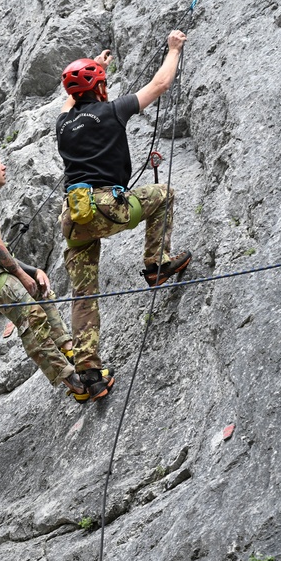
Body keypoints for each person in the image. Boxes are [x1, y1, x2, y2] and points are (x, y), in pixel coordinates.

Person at [56, 30, 192, 400]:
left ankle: (90, 375)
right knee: (164, 195)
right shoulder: (111, 110)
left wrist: (96, 68)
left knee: (83, 294)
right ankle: (156, 262)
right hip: (105, 207)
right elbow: (161, 83)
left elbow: (71, 102)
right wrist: (173, 49)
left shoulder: (63, 124)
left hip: (74, 216)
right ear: (100, 89)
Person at [0, 142, 89, 399]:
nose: (4, 166)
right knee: (30, 312)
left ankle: (69, 349)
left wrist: (33, 271)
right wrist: (22, 275)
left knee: (40, 292)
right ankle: (72, 380)